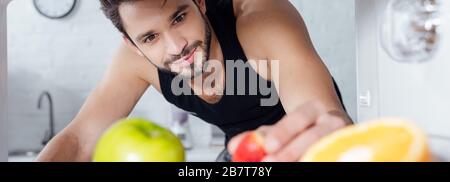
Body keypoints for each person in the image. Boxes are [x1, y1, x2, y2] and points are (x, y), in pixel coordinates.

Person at [36, 0, 352, 162]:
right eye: (150, 37)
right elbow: (79, 141)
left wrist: (329, 132)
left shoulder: (260, 21)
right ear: (131, 43)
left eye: (178, 17)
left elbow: (325, 115)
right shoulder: (133, 60)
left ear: (199, 1)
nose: (177, 47)